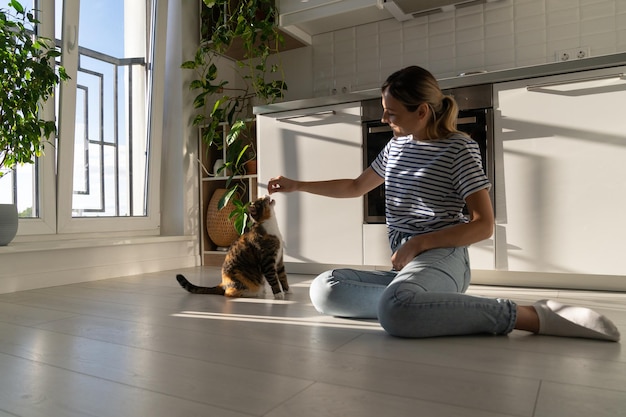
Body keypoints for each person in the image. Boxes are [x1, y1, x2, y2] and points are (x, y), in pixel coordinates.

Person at [267, 66, 620, 342]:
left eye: (391, 113)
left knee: (396, 311)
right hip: (405, 265)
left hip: (444, 255)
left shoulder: (458, 148)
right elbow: (357, 186)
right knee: (324, 289)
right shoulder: (395, 148)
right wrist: (297, 185)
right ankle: (413, 300)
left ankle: (532, 316)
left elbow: (483, 224)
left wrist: (419, 243)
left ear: (421, 111)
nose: (385, 119)